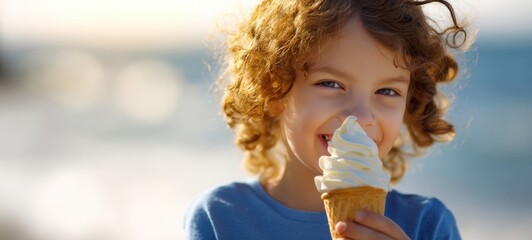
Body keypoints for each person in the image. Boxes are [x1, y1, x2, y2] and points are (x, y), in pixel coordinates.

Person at [185, 0, 473, 239]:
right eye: (331, 84)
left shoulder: (427, 226)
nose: (360, 116)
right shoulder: (220, 219)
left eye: (387, 91)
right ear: (273, 88)